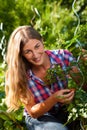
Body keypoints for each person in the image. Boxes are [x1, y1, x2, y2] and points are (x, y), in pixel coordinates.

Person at [5, 25, 85, 130]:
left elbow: (84, 84)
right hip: (39, 117)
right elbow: (33, 113)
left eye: (37, 46)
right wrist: (54, 98)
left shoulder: (63, 57)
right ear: (22, 54)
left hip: (63, 110)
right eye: (28, 51)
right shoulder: (21, 75)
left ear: (42, 41)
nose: (35, 55)